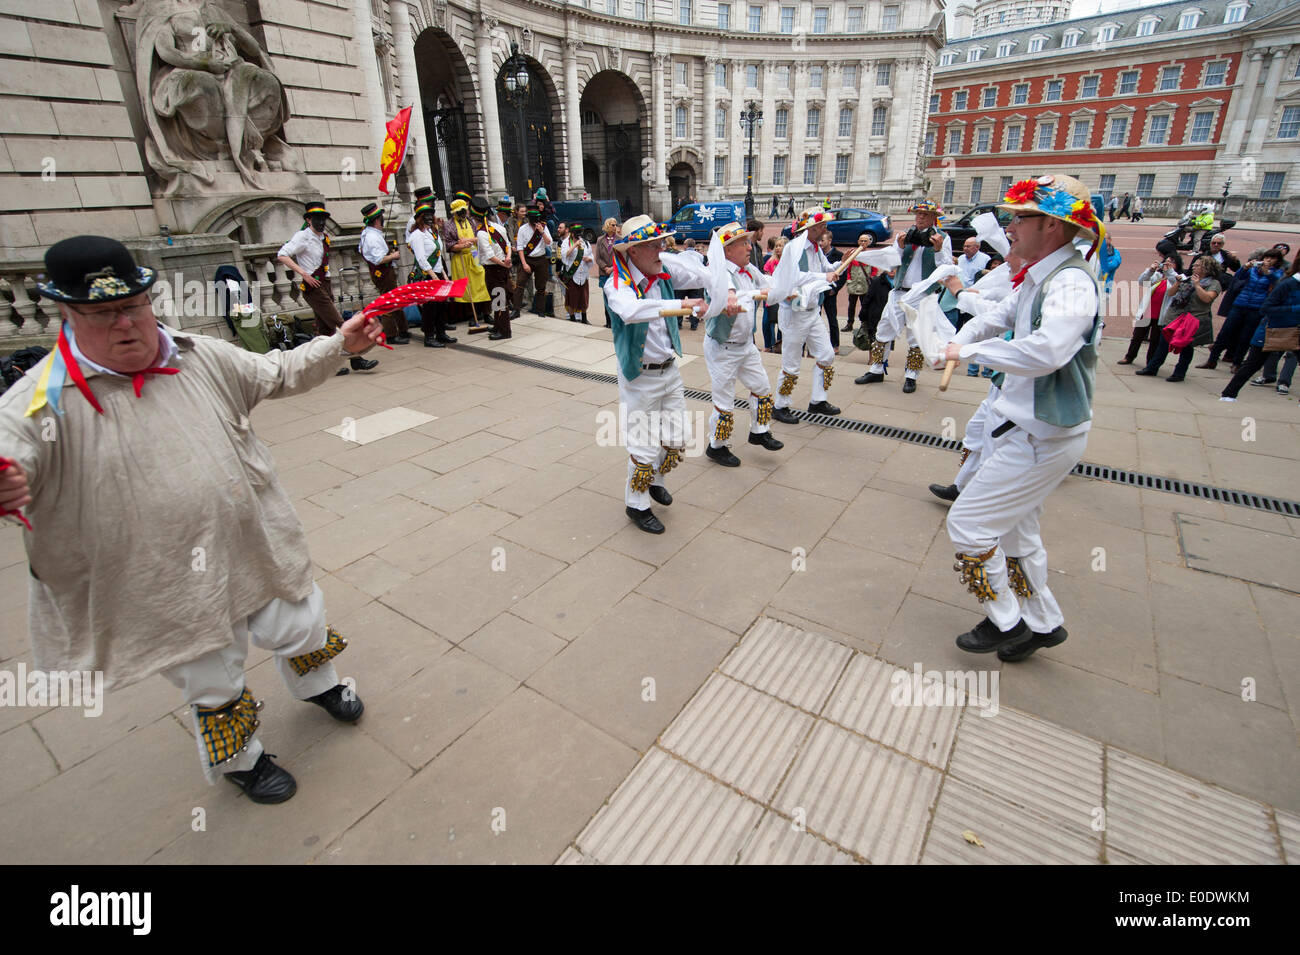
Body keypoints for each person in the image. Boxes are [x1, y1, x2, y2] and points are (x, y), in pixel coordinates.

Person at [0, 235, 383, 802]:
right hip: (164, 579)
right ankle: (242, 761)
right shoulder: (36, 401)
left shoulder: (200, 355)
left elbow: (277, 373)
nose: (125, 323)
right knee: (211, 675)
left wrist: (338, 345)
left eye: (132, 305)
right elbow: (12, 455)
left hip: (253, 540)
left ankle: (317, 684)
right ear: (66, 314)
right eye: (102, 313)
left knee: (302, 621)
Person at [936, 174, 1104, 661]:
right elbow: (1000, 314)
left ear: (1050, 225)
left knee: (968, 526)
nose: (1009, 226)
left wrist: (970, 352)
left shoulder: (1071, 282)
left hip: (1040, 435)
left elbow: (1048, 350)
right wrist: (959, 341)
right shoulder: (1041, 275)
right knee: (1016, 534)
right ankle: (1044, 622)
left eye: (1018, 217)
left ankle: (1005, 620)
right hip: (1024, 430)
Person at [603, 215, 710, 535]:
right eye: (653, 245)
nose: (661, 250)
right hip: (639, 377)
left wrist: (722, 292)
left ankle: (655, 482)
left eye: (662, 243)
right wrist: (681, 305)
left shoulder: (661, 271)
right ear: (633, 251)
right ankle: (636, 504)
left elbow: (697, 271)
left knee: (677, 439)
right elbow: (631, 311)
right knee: (644, 445)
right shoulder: (617, 284)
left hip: (669, 370)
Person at [929, 252, 1025, 502]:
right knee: (977, 431)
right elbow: (993, 316)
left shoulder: (1057, 284)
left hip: (1024, 391)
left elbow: (1039, 352)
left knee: (997, 445)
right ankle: (961, 487)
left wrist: (967, 350)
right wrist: (957, 343)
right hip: (1003, 382)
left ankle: (982, 502)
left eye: (1013, 251)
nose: (1006, 262)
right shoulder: (1029, 283)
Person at [701, 222, 785, 468]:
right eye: (743, 243)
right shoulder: (717, 272)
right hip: (723, 348)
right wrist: (727, 297)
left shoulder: (748, 269)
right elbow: (721, 289)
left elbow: (767, 284)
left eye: (749, 242)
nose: (750, 247)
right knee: (724, 401)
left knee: (761, 387)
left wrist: (785, 288)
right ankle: (716, 447)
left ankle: (759, 432)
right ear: (727, 250)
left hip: (746, 345)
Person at [859, 199, 952, 394]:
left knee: (916, 336)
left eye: (924, 214)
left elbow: (946, 268)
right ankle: (876, 370)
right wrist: (900, 247)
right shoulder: (904, 236)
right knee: (883, 329)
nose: (920, 217)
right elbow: (892, 263)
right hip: (900, 291)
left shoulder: (943, 238)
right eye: (917, 214)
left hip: (924, 296)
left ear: (934, 217)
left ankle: (911, 376)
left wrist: (937, 250)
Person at [278, 201, 378, 375]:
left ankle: (321, 364)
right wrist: (304, 274)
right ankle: (356, 359)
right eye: (317, 219)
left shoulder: (323, 237)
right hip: (313, 287)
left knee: (324, 329)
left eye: (324, 219)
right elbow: (282, 254)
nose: (322, 223)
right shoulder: (303, 236)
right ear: (309, 220)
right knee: (339, 323)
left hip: (325, 283)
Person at [771, 207, 841, 421]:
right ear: (811, 228)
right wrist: (824, 277)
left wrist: (840, 264)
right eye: (821, 225)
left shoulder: (815, 248)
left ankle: (818, 401)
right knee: (791, 362)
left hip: (812, 312)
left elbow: (826, 268)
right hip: (794, 313)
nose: (825, 228)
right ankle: (780, 406)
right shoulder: (794, 248)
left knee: (827, 354)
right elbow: (794, 278)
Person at [1220, 250, 1300, 401]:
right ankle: (1228, 395)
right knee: (1252, 365)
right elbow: (1266, 309)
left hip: (1296, 331)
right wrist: (1296, 310)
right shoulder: (1288, 283)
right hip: (1273, 331)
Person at [1134, 255, 1221, 381]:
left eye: (1197, 265)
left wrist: (1197, 285)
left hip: (1193, 318)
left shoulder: (1213, 283)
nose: (1194, 267)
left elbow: (1207, 298)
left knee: (1186, 347)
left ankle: (1179, 373)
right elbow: (1171, 293)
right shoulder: (1189, 278)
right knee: (1163, 343)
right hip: (1176, 316)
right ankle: (1152, 368)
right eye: (1194, 265)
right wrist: (1178, 282)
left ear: (1206, 268)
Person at [1199, 248, 1286, 370]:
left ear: (1277, 261)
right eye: (1267, 258)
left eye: (1272, 258)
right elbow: (1239, 276)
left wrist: (1267, 272)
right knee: (1225, 332)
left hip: (1256, 307)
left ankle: (1237, 363)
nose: (1268, 260)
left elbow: (1276, 283)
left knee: (1245, 337)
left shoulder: (1277, 273)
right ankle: (1212, 360)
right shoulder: (1254, 270)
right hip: (1240, 304)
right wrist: (1245, 267)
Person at [357, 202, 409, 344]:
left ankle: (403, 330)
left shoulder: (369, 233)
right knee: (388, 303)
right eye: (381, 217)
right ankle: (391, 335)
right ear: (377, 219)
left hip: (386, 272)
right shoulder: (371, 237)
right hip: (383, 273)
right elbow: (378, 259)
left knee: (395, 300)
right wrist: (393, 256)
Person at [1117, 255, 1181, 366]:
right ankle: (1129, 357)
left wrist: (1170, 271)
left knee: (1155, 340)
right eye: (1166, 262)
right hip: (1147, 311)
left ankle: (1150, 362)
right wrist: (1150, 270)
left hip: (1162, 315)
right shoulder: (1157, 275)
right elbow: (1142, 281)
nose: (1167, 265)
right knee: (1137, 336)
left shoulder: (1177, 278)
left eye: (1170, 263)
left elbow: (1176, 284)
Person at [408, 201, 455, 348]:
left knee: (441, 305)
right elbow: (421, 258)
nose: (430, 218)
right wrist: (433, 275)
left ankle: (441, 333)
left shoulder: (432, 233)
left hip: (437, 272)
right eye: (426, 216)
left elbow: (438, 254)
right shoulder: (416, 235)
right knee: (430, 307)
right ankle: (429, 336)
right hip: (426, 274)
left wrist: (443, 275)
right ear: (420, 218)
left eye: (431, 215)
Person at [443, 197, 490, 333]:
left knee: (481, 283)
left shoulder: (472, 221)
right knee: (468, 288)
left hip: (474, 255)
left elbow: (479, 238)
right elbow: (449, 246)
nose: (462, 214)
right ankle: (472, 316)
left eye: (464, 211)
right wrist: (461, 245)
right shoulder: (448, 225)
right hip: (461, 258)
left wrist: (469, 241)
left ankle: (486, 313)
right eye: (459, 212)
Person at [474, 196, 513, 340]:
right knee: (499, 299)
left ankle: (504, 331)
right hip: (501, 268)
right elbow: (508, 245)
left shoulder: (482, 233)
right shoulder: (498, 227)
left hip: (493, 270)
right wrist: (507, 258)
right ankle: (498, 326)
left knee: (499, 300)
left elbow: (490, 255)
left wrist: (504, 263)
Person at [517, 209, 555, 316]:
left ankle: (540, 310)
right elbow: (520, 247)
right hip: (527, 258)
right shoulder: (523, 229)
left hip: (540, 259)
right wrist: (524, 264)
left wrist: (541, 232)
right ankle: (516, 309)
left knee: (541, 286)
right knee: (520, 283)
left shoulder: (543, 227)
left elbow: (549, 243)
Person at [558, 221, 596, 324]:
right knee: (572, 298)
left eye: (579, 232)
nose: (578, 235)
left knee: (584, 297)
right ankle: (572, 317)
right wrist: (574, 245)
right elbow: (564, 255)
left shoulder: (585, 242)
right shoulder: (567, 242)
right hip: (572, 274)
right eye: (576, 232)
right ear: (571, 233)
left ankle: (584, 318)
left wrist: (589, 259)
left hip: (583, 274)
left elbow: (591, 255)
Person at [841, 232, 879, 334]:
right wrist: (849, 280)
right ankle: (850, 323)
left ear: (869, 242)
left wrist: (871, 279)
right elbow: (848, 269)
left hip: (864, 285)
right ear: (858, 241)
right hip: (853, 284)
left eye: (865, 241)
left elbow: (874, 270)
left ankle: (864, 324)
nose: (863, 243)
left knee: (864, 305)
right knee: (851, 306)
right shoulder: (853, 254)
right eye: (861, 241)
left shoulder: (870, 256)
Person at [818, 231, 845, 351]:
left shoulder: (838, 254)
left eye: (823, 241)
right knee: (816, 318)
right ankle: (816, 344)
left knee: (832, 318)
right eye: (819, 241)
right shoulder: (817, 254)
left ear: (829, 241)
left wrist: (835, 289)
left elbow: (842, 275)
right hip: (818, 290)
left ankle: (835, 344)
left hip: (830, 291)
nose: (820, 243)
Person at [677, 238, 706, 330]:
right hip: (695, 282)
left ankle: (678, 323)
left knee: (680, 303)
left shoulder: (680, 255)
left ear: (685, 245)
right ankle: (694, 324)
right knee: (695, 304)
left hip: (682, 282)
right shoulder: (700, 256)